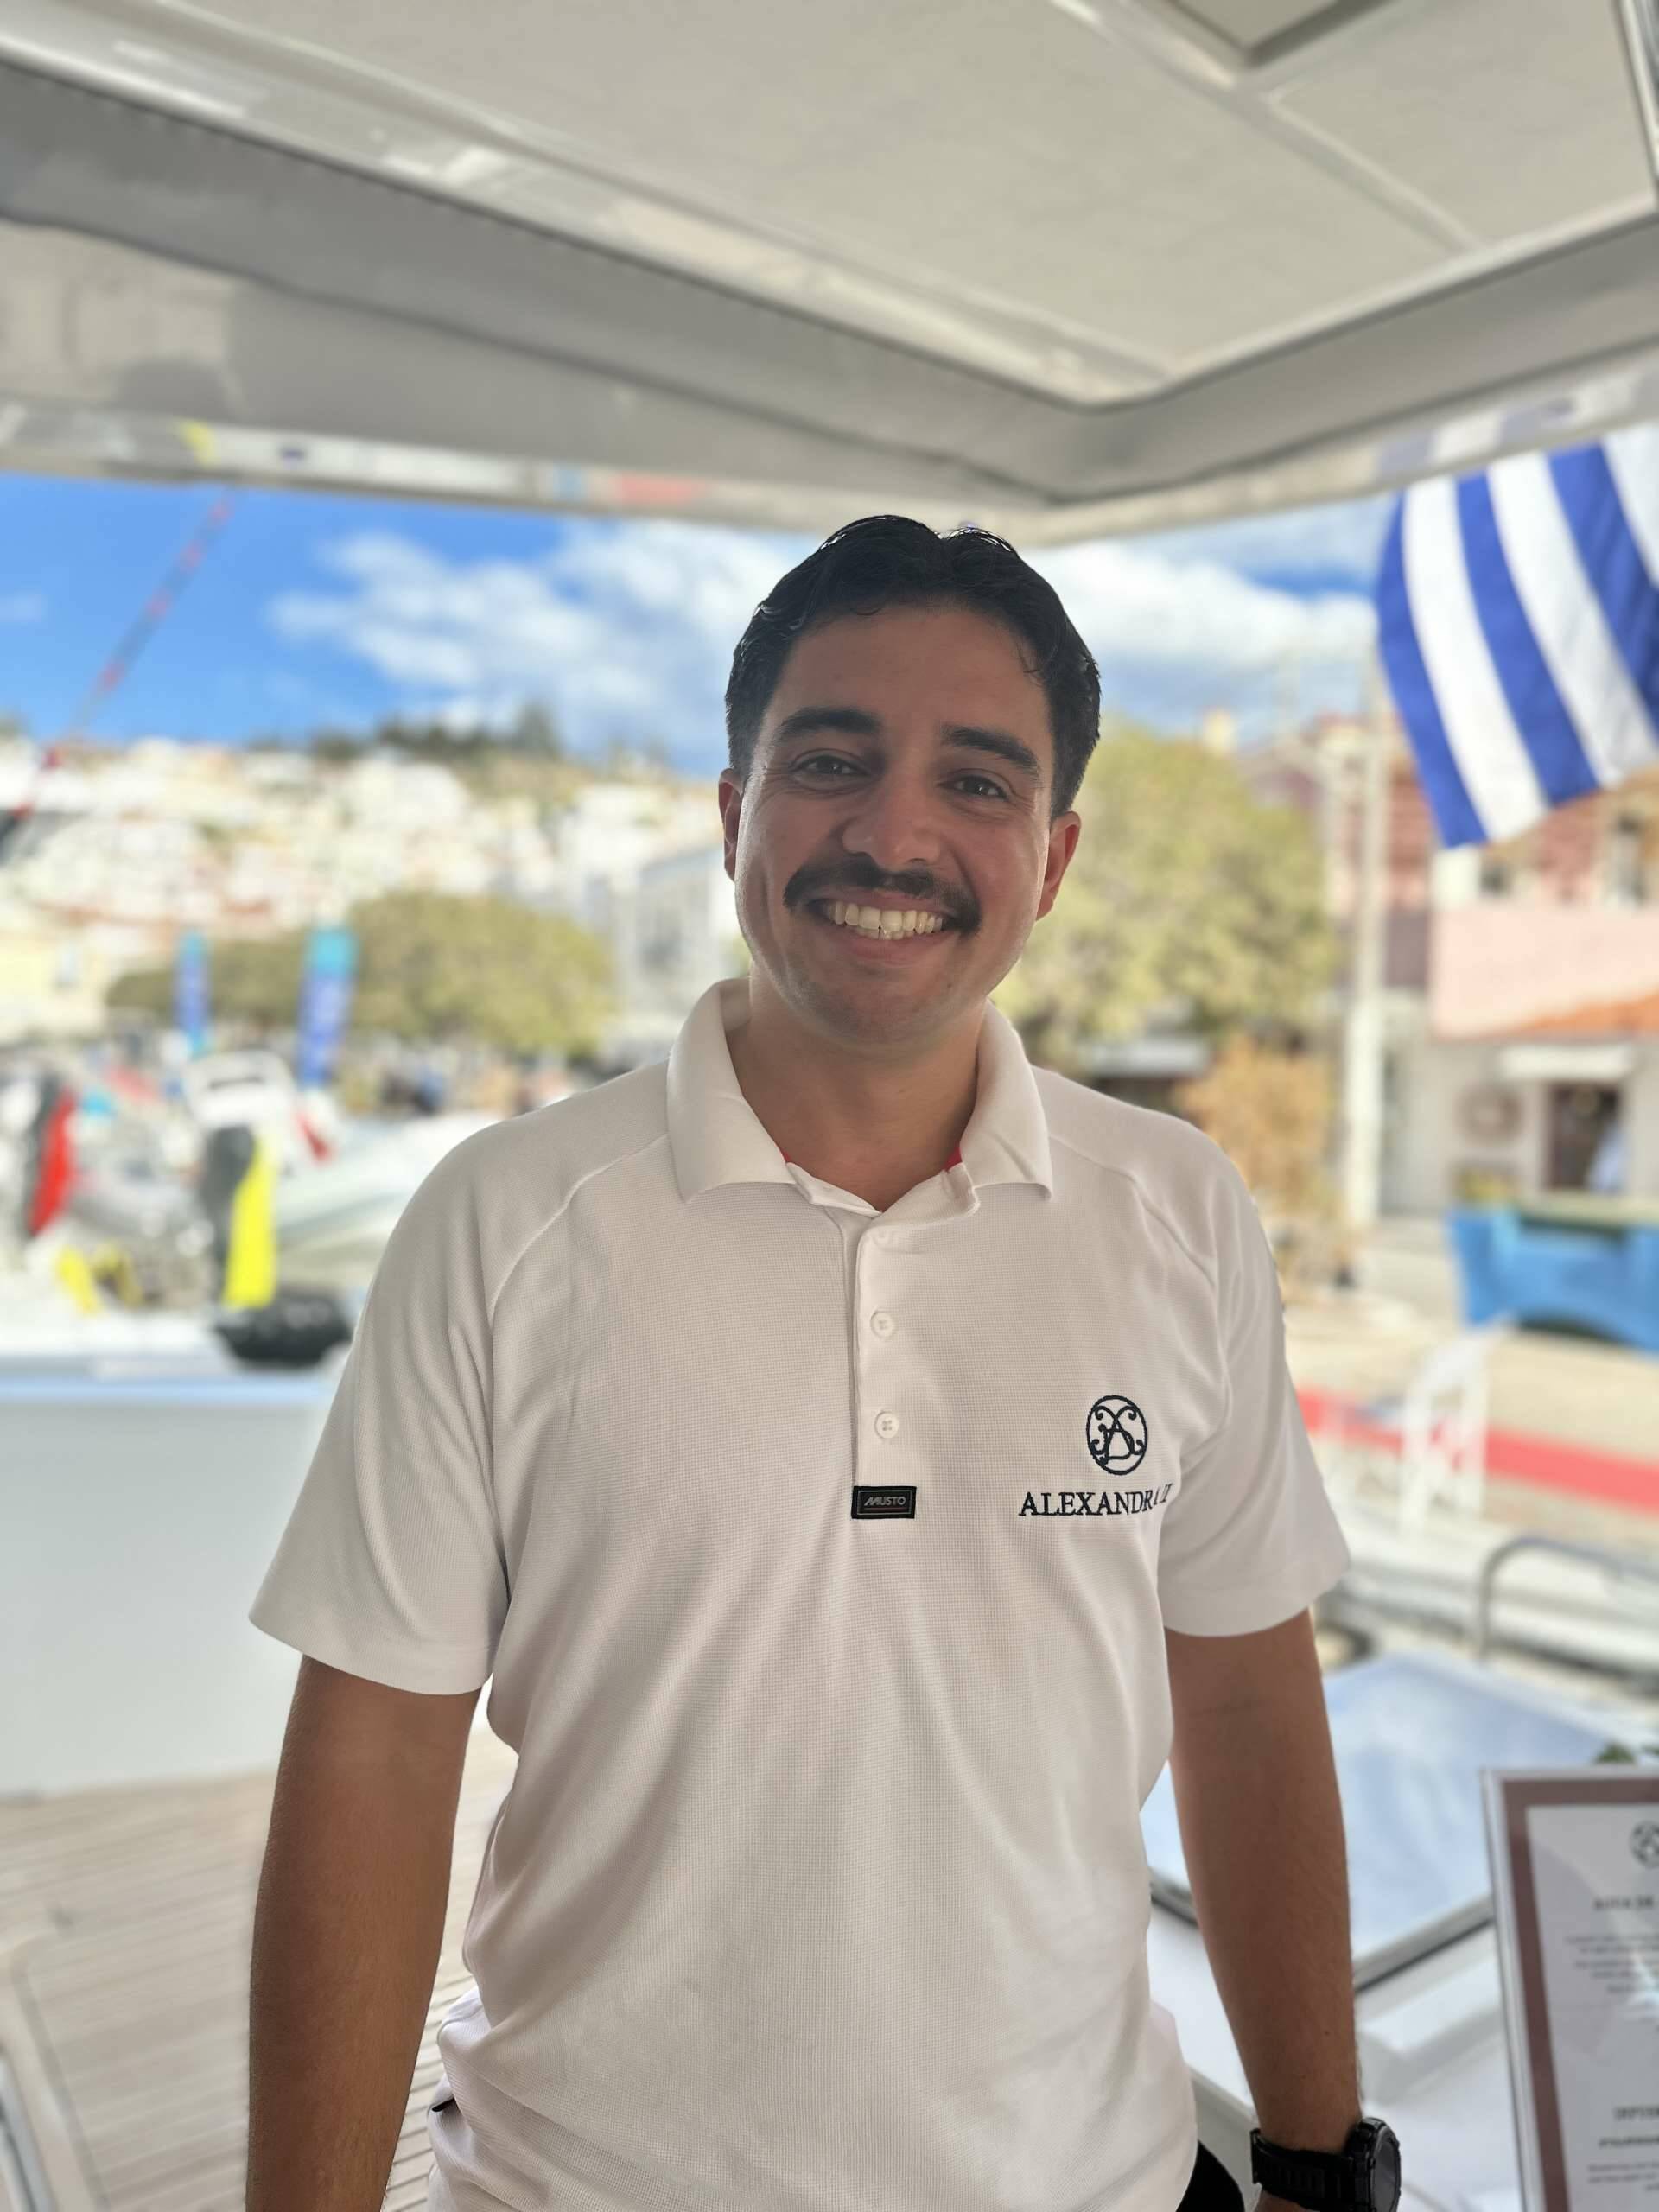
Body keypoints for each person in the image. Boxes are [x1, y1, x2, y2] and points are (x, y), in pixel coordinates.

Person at [245, 518, 1397, 2212]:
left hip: (1100, 2177)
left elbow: (1245, 1697)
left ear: (1054, 859)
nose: (895, 832)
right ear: (734, 814)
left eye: (978, 782)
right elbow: (374, 1762)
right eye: (832, 761)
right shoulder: (506, 1219)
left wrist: (1315, 2151)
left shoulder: (1178, 1211)